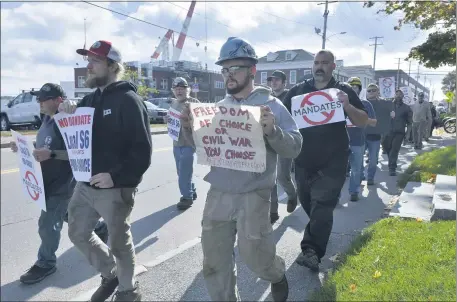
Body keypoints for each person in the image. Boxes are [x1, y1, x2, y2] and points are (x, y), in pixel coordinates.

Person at [181, 37, 302, 302]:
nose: (229, 75)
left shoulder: (272, 106)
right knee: (214, 263)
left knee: (258, 260)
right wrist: (188, 129)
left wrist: (273, 131)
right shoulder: (219, 108)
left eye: (235, 68)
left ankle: (276, 274)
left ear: (252, 71)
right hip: (219, 194)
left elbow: (294, 148)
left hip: (253, 195)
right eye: (225, 69)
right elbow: (204, 148)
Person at [59, 40, 152, 302]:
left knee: (119, 243)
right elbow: (77, 132)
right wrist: (68, 111)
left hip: (115, 187)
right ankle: (111, 274)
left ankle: (128, 290)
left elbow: (142, 150)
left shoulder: (129, 100)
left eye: (95, 61)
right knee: (77, 232)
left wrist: (116, 176)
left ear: (112, 66)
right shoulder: (89, 99)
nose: (88, 66)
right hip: (85, 184)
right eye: (87, 61)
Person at [11, 83, 108, 285]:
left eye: (43, 99)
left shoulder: (70, 120)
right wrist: (23, 148)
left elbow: (81, 152)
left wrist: (52, 154)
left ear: (58, 100)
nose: (39, 102)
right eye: (38, 98)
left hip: (62, 184)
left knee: (47, 224)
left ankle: (46, 263)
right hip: (46, 181)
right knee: (67, 214)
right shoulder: (46, 119)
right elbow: (44, 148)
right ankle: (100, 228)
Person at [282, 50, 368, 271]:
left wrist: (347, 106)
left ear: (333, 66)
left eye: (324, 63)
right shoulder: (298, 91)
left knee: (323, 204)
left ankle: (311, 250)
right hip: (302, 161)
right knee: (311, 205)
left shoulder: (344, 91)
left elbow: (362, 121)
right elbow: (279, 116)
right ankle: (319, 232)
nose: (319, 66)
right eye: (316, 63)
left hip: (334, 161)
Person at [267, 70, 298, 223]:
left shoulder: (291, 97)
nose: (274, 82)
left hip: (286, 140)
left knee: (282, 176)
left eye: (277, 80)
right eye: (272, 80)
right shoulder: (266, 98)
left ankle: (292, 195)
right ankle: (273, 212)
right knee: (271, 176)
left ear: (284, 82)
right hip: (270, 140)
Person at [169, 77, 199, 210]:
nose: (179, 91)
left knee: (184, 173)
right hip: (176, 144)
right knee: (181, 172)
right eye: (176, 89)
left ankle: (187, 198)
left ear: (188, 90)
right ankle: (191, 190)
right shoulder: (173, 103)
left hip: (188, 144)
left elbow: (201, 123)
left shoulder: (193, 102)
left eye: (182, 89)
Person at [346, 77, 377, 201]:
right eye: (350, 87)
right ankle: (335, 197)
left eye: (355, 87)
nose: (353, 89)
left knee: (356, 169)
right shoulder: (338, 103)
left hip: (357, 142)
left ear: (359, 89)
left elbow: (374, 122)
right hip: (340, 142)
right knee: (337, 171)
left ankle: (354, 191)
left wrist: (361, 118)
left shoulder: (365, 104)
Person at [363, 83, 393, 185]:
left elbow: (392, 106)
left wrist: (392, 111)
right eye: (369, 90)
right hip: (362, 135)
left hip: (375, 137)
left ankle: (370, 178)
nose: (371, 92)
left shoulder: (383, 103)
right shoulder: (362, 103)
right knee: (357, 160)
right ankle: (360, 175)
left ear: (378, 91)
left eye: (374, 90)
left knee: (373, 161)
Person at [383, 89, 412, 175]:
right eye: (397, 94)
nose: (398, 95)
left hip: (399, 132)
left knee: (394, 150)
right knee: (387, 148)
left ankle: (392, 168)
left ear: (403, 96)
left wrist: (407, 134)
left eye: (400, 94)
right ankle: (391, 161)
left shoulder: (406, 108)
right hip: (387, 132)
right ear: (394, 95)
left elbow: (410, 123)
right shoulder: (388, 105)